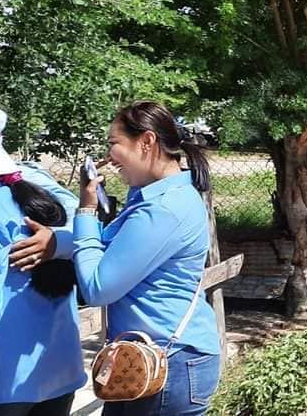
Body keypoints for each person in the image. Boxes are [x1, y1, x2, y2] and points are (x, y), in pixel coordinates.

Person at [74, 101, 220, 416]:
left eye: (114, 143)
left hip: (166, 364)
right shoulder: (153, 197)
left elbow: (98, 287)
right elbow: (108, 246)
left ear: (147, 141)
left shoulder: (163, 209)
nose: (109, 156)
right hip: (146, 360)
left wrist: (85, 210)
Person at [0, 107, 85, 416]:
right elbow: (92, 226)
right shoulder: (36, 184)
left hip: (4, 380)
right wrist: (59, 242)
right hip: (59, 369)